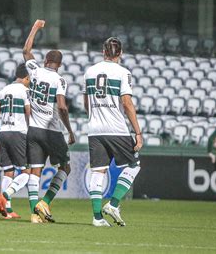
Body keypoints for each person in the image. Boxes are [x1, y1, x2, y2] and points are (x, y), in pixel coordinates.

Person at [83, 37, 143, 227]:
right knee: (134, 165)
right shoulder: (123, 73)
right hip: (116, 128)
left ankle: (97, 217)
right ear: (121, 53)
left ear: (103, 52)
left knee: (98, 171)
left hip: (94, 129)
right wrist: (138, 132)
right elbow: (127, 103)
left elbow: (86, 102)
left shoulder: (90, 72)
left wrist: (94, 117)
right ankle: (114, 204)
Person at [22, 19, 76, 223]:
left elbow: (26, 51)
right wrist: (69, 130)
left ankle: (34, 214)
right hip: (51, 131)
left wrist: (35, 27)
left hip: (33, 130)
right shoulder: (59, 80)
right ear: (59, 65)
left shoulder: (35, 71)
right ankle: (45, 202)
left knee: (35, 171)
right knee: (66, 166)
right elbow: (61, 106)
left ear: (45, 61)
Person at [0, 64, 31, 219]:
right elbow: (28, 112)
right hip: (18, 133)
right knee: (27, 172)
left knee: (8, 171)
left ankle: (7, 210)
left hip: (3, 133)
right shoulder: (25, 91)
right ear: (27, 77)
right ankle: (5, 196)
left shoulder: (4, 90)